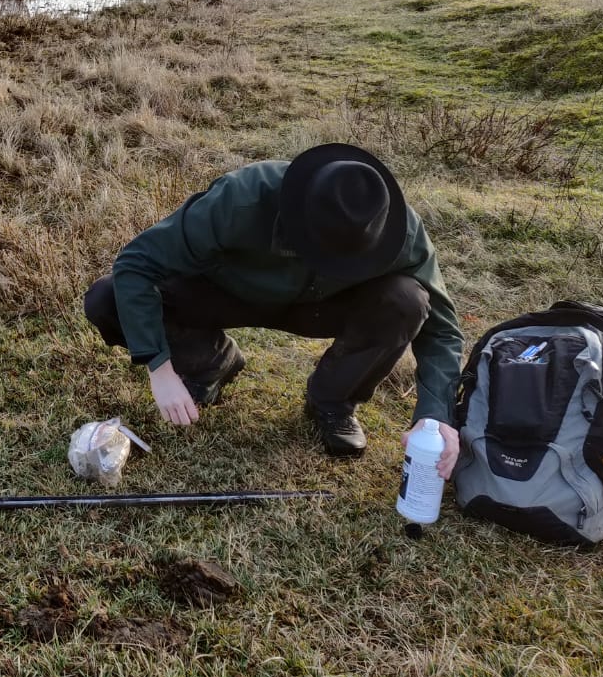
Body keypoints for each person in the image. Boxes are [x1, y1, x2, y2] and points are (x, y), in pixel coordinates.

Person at [82, 143, 462, 476]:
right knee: (107, 298)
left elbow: (441, 328)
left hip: (319, 308)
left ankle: (332, 401)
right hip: (226, 293)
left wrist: (435, 415)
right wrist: (160, 368)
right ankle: (210, 363)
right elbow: (137, 263)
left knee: (407, 300)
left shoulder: (400, 231)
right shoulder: (242, 196)